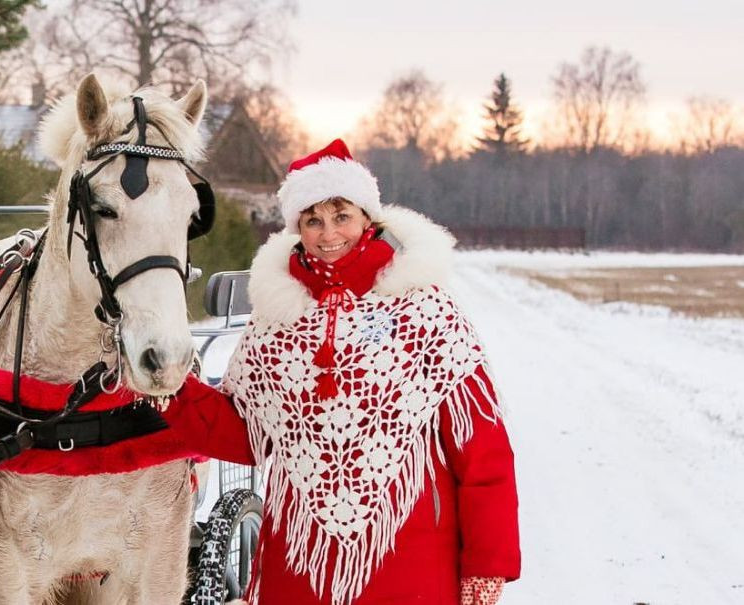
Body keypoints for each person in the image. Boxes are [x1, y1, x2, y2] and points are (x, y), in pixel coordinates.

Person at [175, 139, 520, 604]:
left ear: (367, 218)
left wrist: (486, 564)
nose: (329, 233)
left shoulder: (425, 307)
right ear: (297, 228)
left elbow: (482, 449)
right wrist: (170, 391)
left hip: (411, 560)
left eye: (342, 216)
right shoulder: (276, 319)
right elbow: (245, 434)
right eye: (313, 220)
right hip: (299, 567)